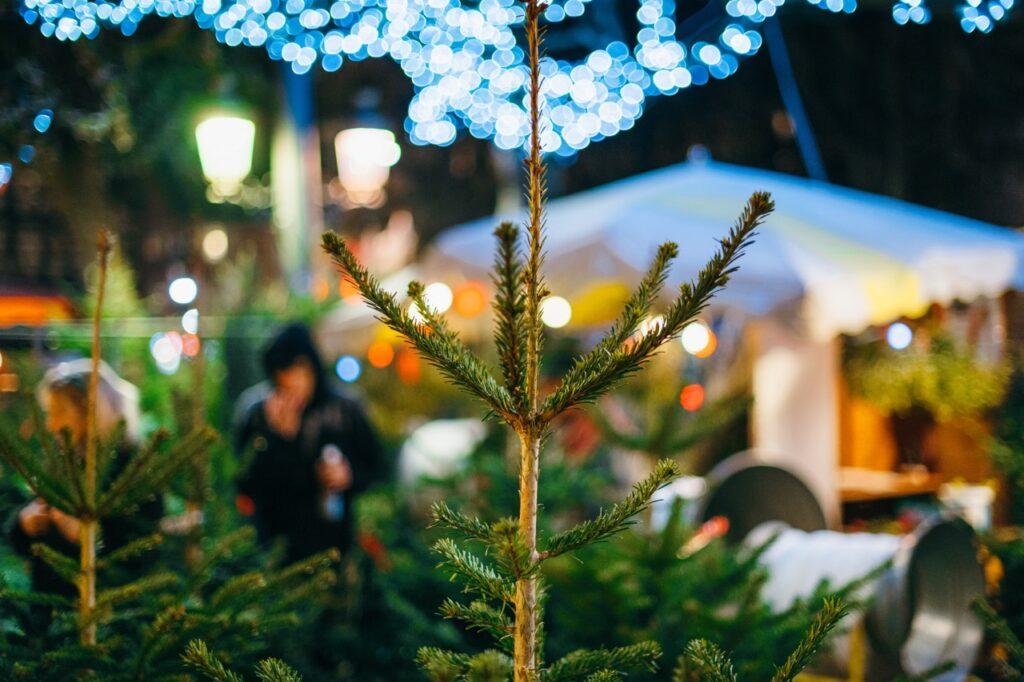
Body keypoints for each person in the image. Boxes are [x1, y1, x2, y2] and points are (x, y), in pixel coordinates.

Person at [8, 360, 163, 601]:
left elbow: (144, 546)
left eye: (60, 411)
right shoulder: (62, 463)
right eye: (49, 412)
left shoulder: (134, 466)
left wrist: (89, 536)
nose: (51, 424)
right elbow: (26, 539)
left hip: (112, 612)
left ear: (91, 410)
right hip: (51, 609)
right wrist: (24, 523)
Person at [233, 322, 385, 562]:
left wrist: (349, 476)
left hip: (334, 544)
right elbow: (245, 481)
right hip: (273, 548)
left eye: (300, 371)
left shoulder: (344, 408)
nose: (294, 390)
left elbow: (377, 467)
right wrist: (280, 439)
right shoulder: (256, 412)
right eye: (283, 381)